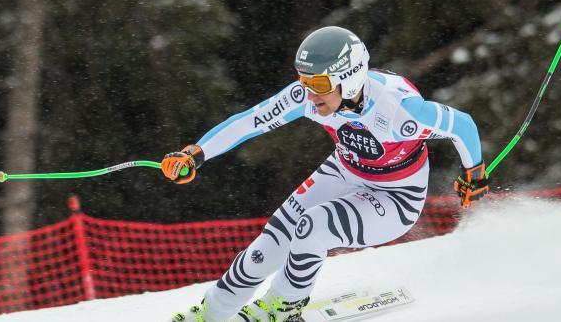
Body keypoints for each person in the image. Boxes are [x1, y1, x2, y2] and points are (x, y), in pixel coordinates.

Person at [164, 26, 488, 322]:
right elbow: (252, 120)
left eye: (318, 84)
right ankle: (213, 311)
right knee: (267, 247)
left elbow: (462, 125)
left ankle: (284, 308)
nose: (308, 93)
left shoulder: (400, 112)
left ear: (348, 79)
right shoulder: (308, 99)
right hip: (344, 170)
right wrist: (197, 153)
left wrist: (474, 173)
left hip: (396, 196)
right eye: (303, 81)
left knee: (314, 227)